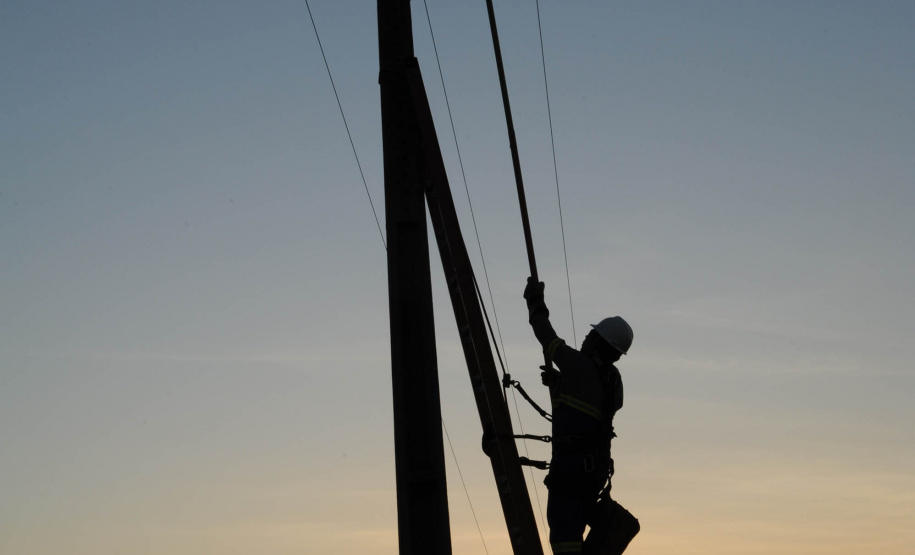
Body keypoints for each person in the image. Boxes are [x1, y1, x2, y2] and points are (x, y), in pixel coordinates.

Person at [523, 277, 633, 554]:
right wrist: (562, 383)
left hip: (570, 471)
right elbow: (593, 409)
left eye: (591, 335)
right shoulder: (614, 381)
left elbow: (545, 336)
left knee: (564, 535)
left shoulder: (578, 365)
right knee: (572, 531)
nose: (586, 337)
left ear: (599, 342)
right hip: (592, 472)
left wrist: (534, 300)